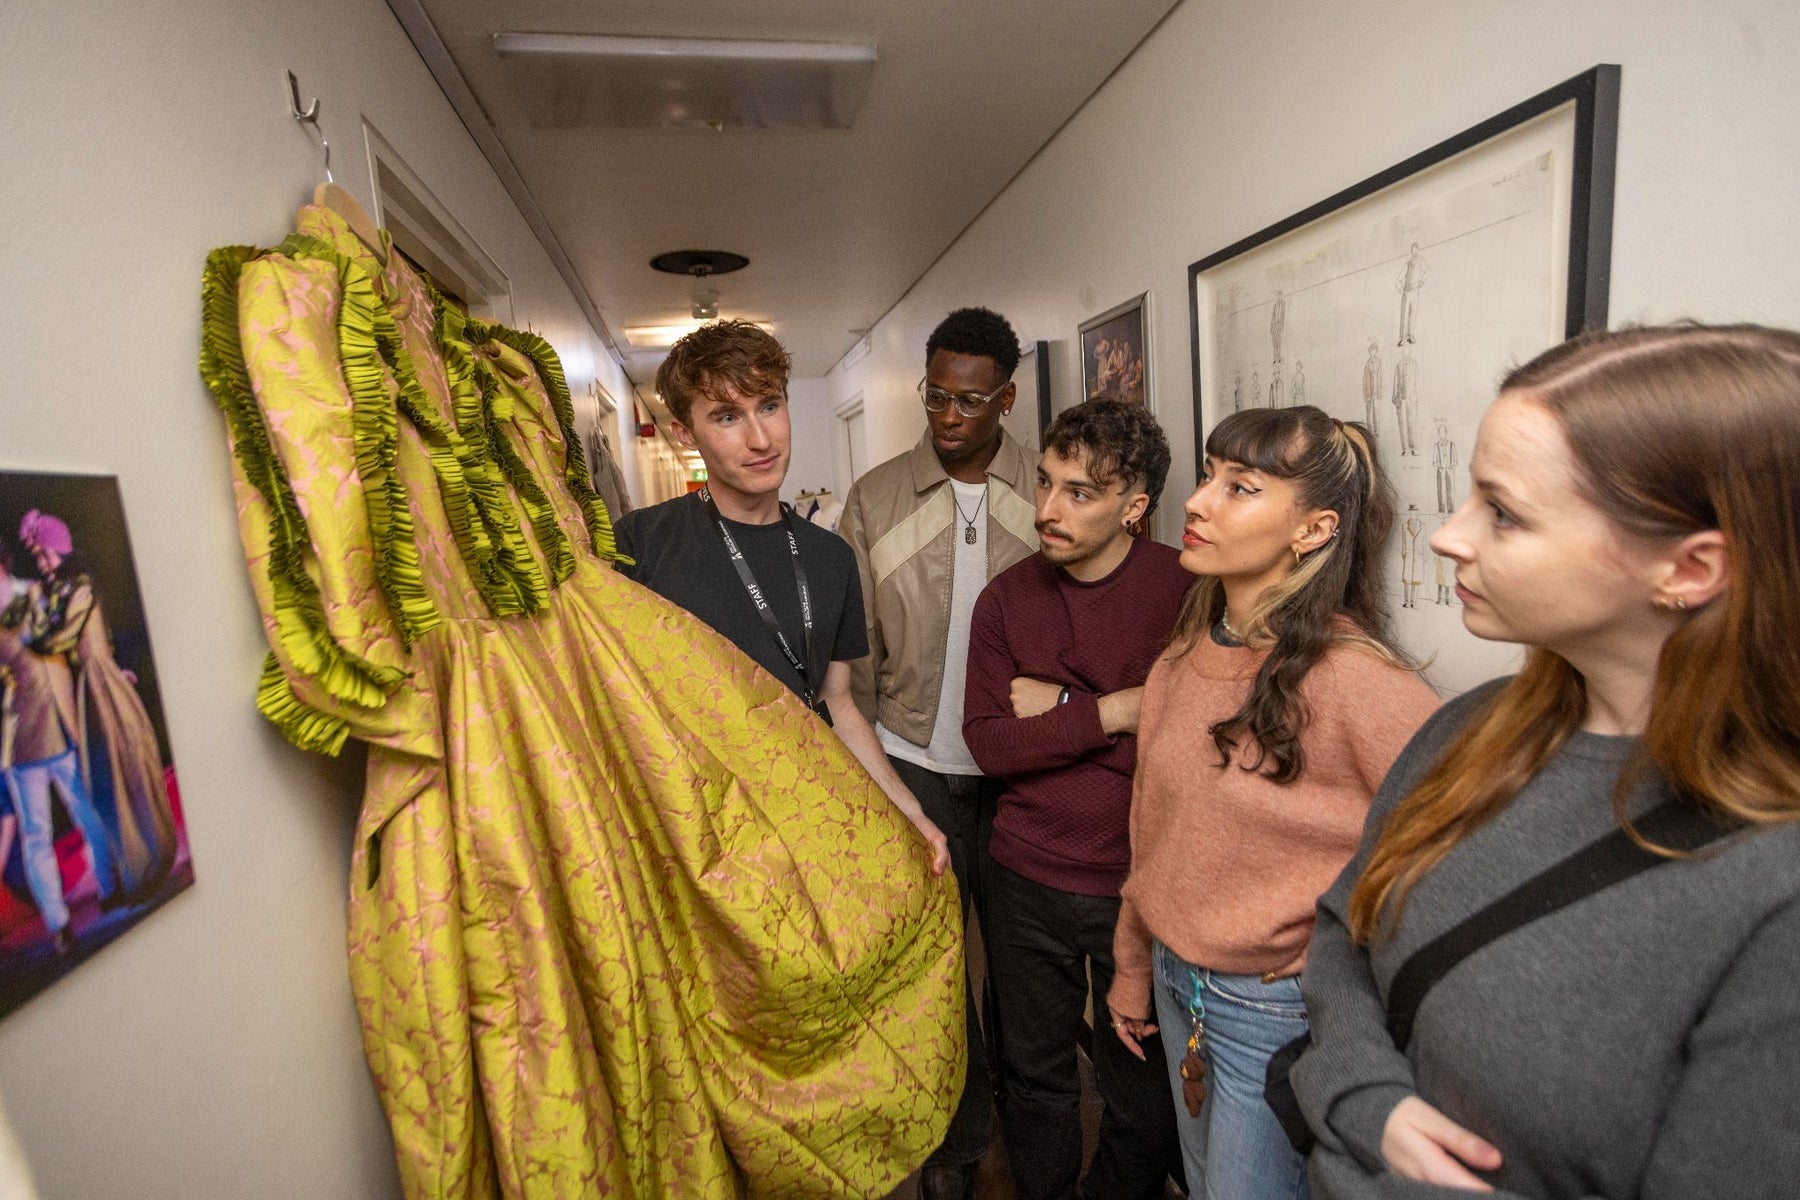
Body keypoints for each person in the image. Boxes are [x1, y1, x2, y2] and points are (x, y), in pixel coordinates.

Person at [1294, 324, 1800, 1200]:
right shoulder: (1468, 731)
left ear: (1689, 568)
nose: (1450, 537)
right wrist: (1362, 1099)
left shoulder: (1773, 889)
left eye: (1505, 512)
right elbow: (1345, 931)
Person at [1108, 405, 1439, 1200]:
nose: (1197, 502)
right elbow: (1151, 830)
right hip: (1175, 985)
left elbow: (1452, 849)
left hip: (1275, 1010)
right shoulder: (1182, 660)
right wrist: (1130, 965)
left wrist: (1337, 966)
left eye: (1240, 487)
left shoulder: (1356, 681)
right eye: (1209, 476)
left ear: (1314, 529)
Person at [612, 321, 948, 875]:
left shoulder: (831, 558)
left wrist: (907, 808)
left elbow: (837, 703)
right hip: (689, 837)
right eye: (726, 416)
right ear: (684, 433)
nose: (761, 439)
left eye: (769, 406)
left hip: (803, 820)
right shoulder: (638, 544)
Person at [963, 399, 1190, 1199]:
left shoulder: (1187, 592)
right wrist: (1120, 710)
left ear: (1135, 507)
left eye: (1080, 492)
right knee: (1034, 1079)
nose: (1049, 510)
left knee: (1139, 1090)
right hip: (1023, 877)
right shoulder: (1005, 599)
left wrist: (1062, 710)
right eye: (1045, 483)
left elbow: (1192, 753)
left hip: (1140, 884)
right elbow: (990, 744)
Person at [839, 306, 1040, 1198]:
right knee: (931, 975)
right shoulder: (875, 498)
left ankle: (1025, 1130)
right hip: (910, 766)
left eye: (968, 400)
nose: (947, 416)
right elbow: (856, 657)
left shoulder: (1049, 494)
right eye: (934, 395)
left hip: (1022, 776)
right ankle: (955, 1148)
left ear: (1006, 396)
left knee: (1021, 974)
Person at [17, 510, 178, 902]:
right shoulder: (62, 592)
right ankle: (133, 864)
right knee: (106, 779)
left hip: (99, 682)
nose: (43, 564)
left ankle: (150, 857)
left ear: (61, 551)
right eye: (38, 558)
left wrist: (32, 635)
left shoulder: (81, 589)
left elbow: (59, 637)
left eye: (46, 556)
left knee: (128, 767)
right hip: (89, 687)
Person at [1, 542, 121, 953]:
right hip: (18, 742)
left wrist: (111, 670)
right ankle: (58, 924)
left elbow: (76, 635)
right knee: (37, 834)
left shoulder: (35, 591)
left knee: (88, 810)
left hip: (62, 722)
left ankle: (109, 886)